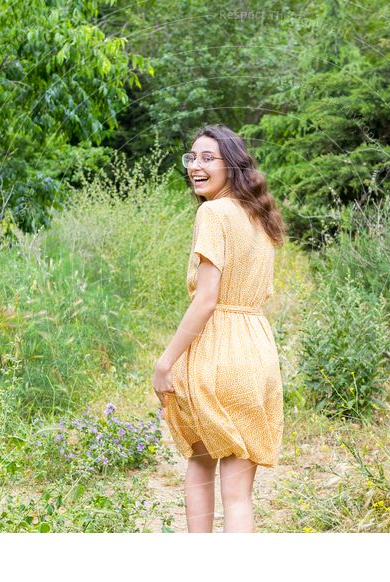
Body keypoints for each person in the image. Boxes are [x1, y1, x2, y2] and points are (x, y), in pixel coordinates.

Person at [152, 124, 287, 533]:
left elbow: (207, 298)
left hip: (218, 353)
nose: (196, 166)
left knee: (199, 464)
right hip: (257, 352)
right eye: (191, 158)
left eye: (207, 158)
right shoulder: (259, 216)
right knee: (239, 494)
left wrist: (166, 361)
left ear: (232, 164)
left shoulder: (212, 213)